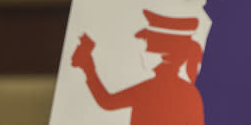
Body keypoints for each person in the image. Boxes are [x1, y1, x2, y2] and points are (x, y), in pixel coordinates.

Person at [71, 9, 205, 125]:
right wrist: (88, 67)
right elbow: (107, 102)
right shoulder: (191, 94)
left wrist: (88, 68)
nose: (145, 51)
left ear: (165, 53)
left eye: (148, 45)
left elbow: (107, 102)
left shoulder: (148, 90)